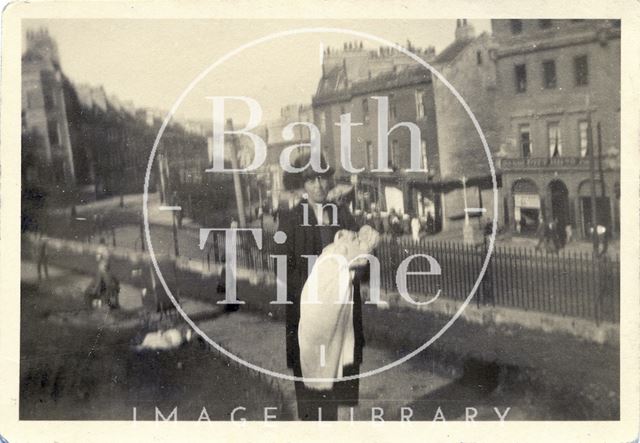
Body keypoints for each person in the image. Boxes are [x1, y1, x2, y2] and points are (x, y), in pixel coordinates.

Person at [277, 149, 367, 421]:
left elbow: (362, 259)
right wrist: (314, 295)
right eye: (310, 179)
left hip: (341, 315)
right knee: (311, 391)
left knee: (338, 387)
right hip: (309, 316)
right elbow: (284, 270)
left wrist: (361, 260)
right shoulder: (291, 220)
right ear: (302, 184)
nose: (318, 185)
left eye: (322, 178)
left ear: (329, 181)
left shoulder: (343, 215)